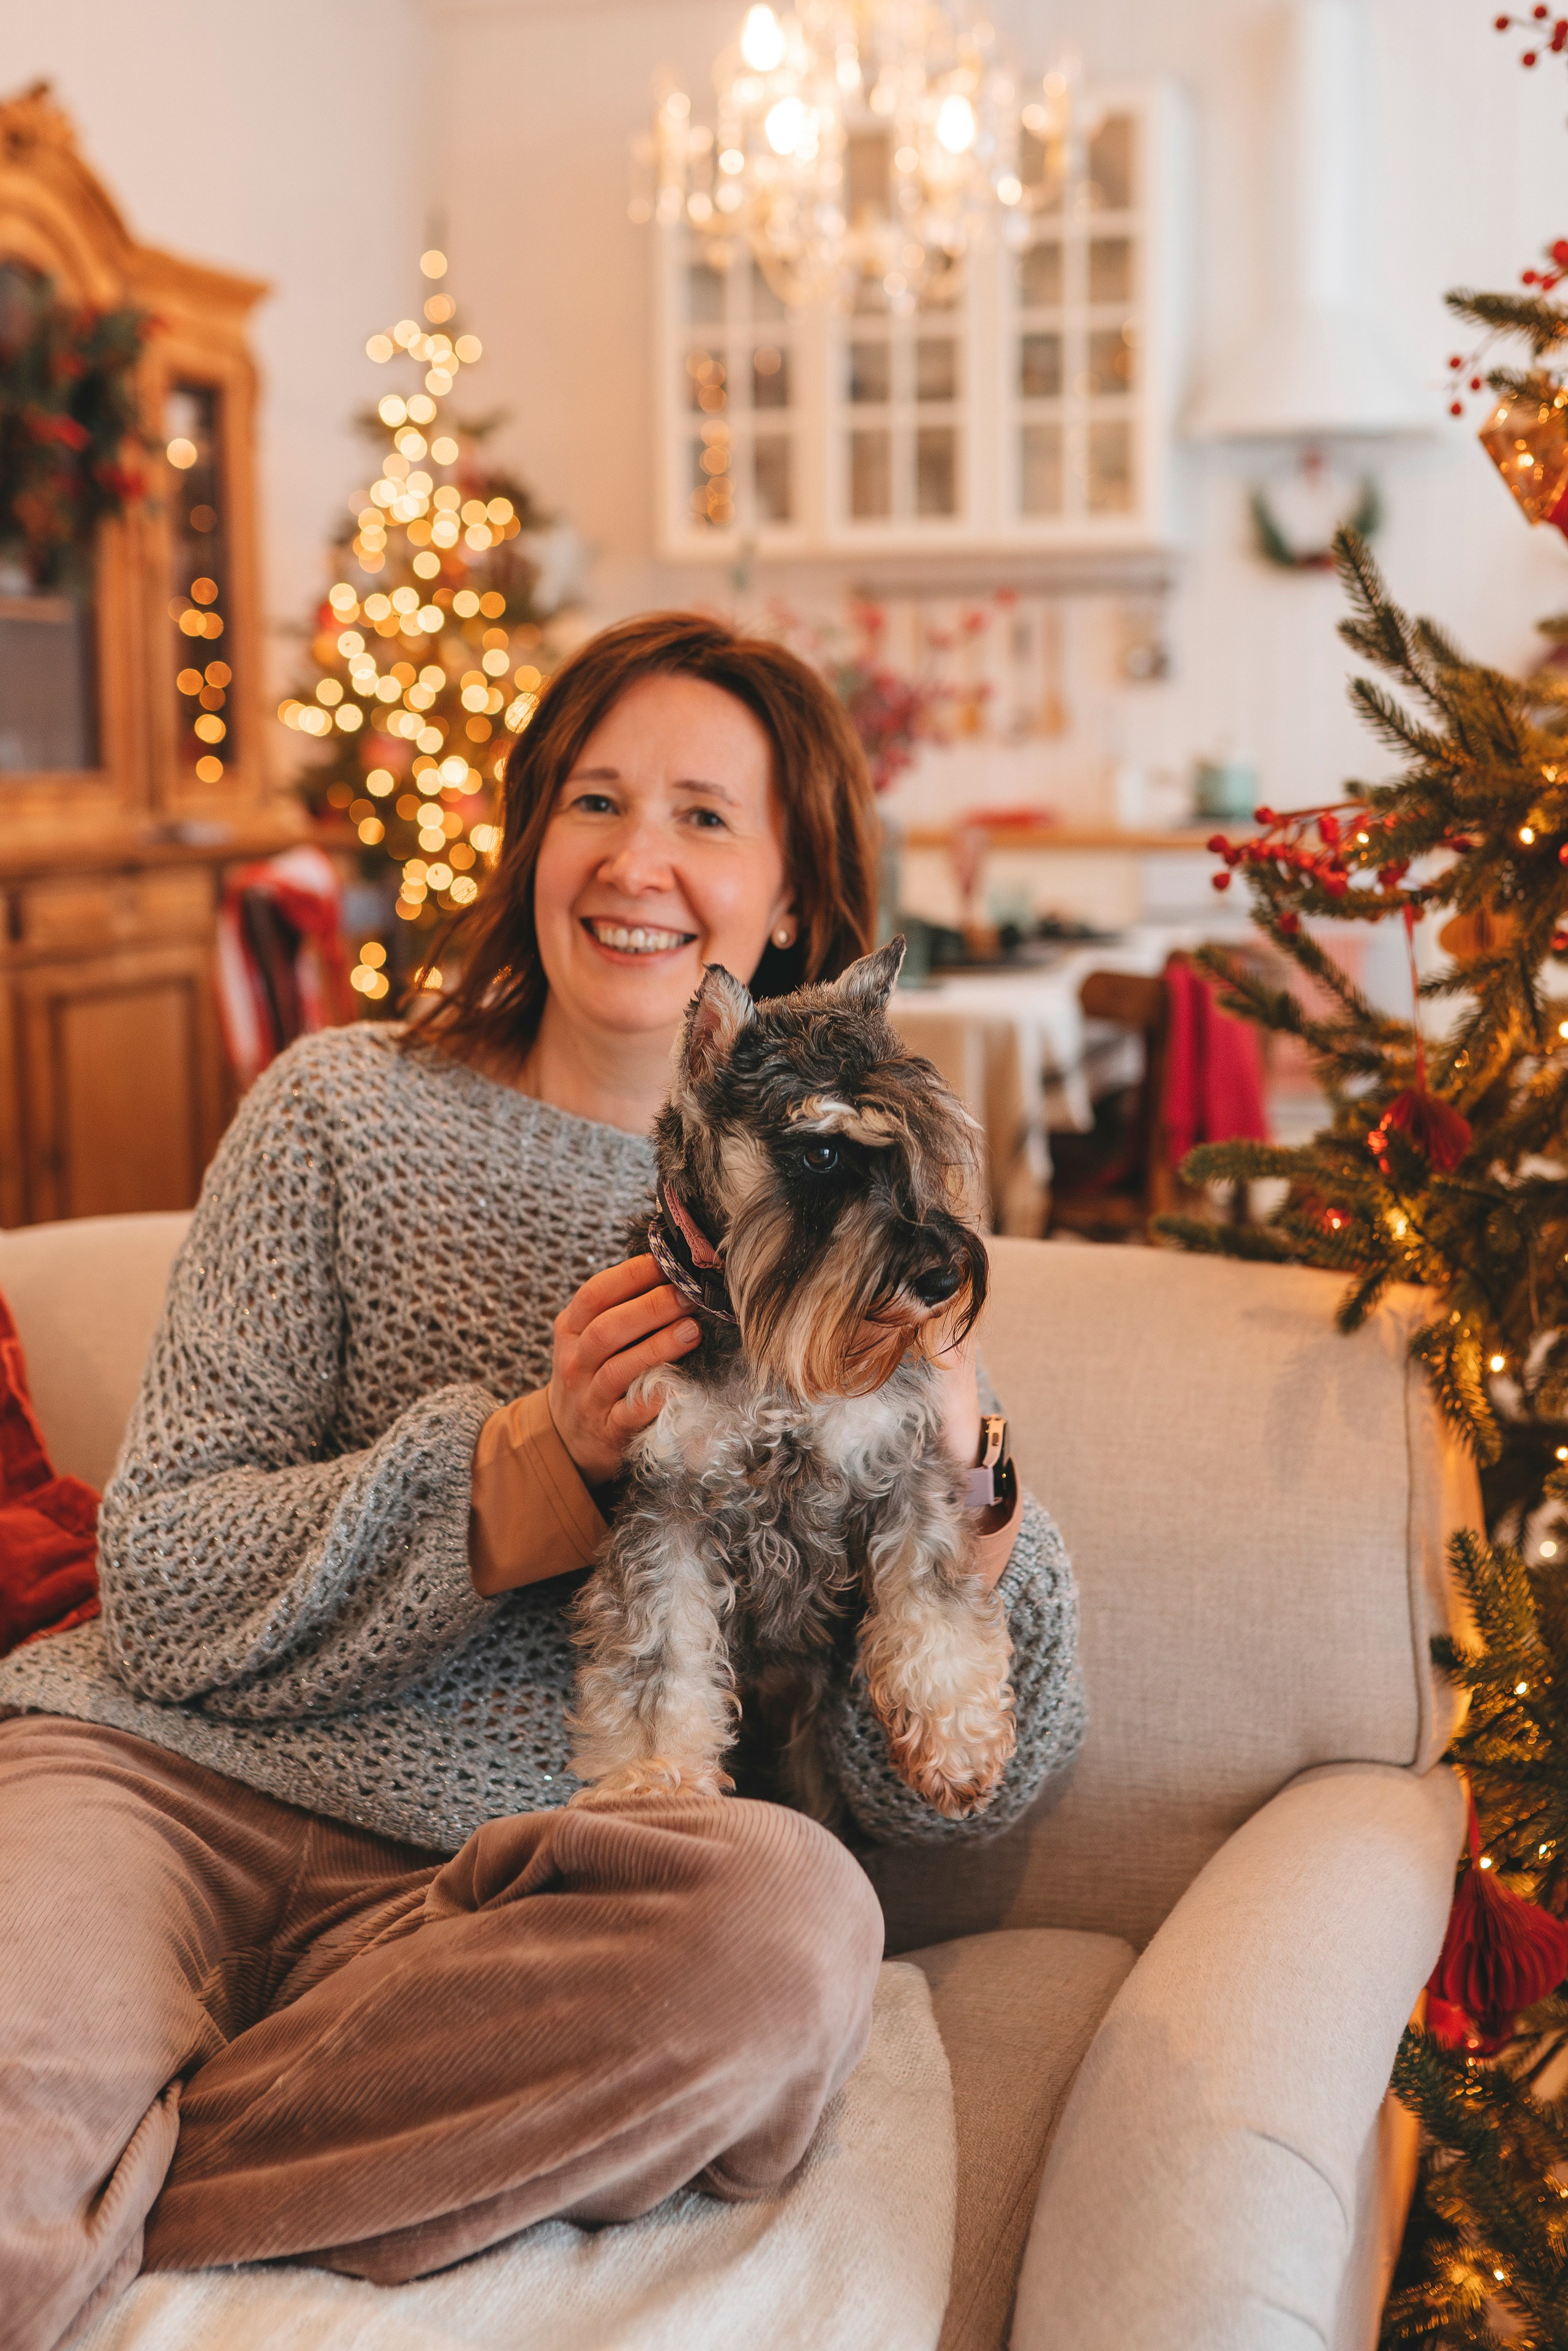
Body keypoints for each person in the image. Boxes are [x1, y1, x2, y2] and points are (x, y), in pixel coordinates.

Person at [0, 612, 1085, 2351]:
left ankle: (126, 2165)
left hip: (505, 1899)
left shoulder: (875, 1253)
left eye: (707, 819)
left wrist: (970, 1490)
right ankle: (107, 2161)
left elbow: (962, 1789)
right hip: (163, 1787)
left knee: (792, 1946)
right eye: (595, 799)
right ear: (530, 844)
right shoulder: (336, 1111)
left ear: (792, 905)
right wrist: (537, 1453)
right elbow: (162, 1580)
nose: (638, 860)